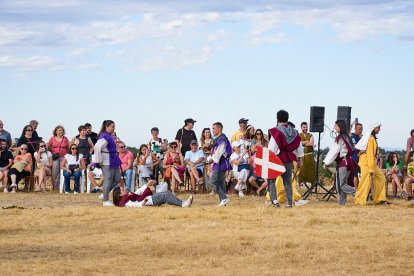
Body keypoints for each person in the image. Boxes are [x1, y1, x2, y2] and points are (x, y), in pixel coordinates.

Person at [268, 110, 304, 208]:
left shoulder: (276, 131)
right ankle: (289, 203)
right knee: (287, 182)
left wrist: (269, 158)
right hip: (288, 159)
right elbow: (299, 147)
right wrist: (300, 159)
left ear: (277, 119)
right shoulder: (294, 132)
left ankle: (275, 202)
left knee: (271, 181)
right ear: (287, 119)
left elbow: (272, 147)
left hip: (277, 158)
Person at [323, 120, 356, 205]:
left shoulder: (340, 138)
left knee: (340, 185)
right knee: (342, 184)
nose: (334, 127)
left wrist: (326, 162)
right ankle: (341, 203)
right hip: (348, 162)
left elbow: (334, 151)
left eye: (336, 126)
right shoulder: (346, 137)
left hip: (343, 163)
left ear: (340, 127)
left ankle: (358, 192)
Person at [355, 123, 389, 205]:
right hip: (367, 163)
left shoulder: (372, 138)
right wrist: (371, 168)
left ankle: (380, 199)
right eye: (378, 128)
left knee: (381, 178)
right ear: (373, 129)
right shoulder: (370, 139)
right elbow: (370, 154)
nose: (379, 129)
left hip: (371, 162)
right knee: (365, 182)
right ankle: (359, 201)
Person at [94, 120, 122, 206]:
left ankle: (104, 194)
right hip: (106, 161)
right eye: (112, 126)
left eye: (114, 126)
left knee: (117, 178)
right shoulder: (104, 136)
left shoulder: (110, 136)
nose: (114, 128)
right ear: (107, 127)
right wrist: (99, 161)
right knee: (108, 179)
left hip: (113, 159)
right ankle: (105, 200)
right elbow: (97, 147)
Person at [112, 184, 193, 208]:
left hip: (150, 199)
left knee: (167, 192)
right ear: (119, 194)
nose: (124, 190)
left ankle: (183, 203)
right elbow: (136, 205)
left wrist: (147, 184)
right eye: (122, 190)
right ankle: (183, 205)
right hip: (149, 201)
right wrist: (144, 201)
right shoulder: (126, 202)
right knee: (165, 197)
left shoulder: (127, 196)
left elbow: (137, 192)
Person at [210, 122, 232, 206]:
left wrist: (212, 159)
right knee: (220, 183)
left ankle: (224, 198)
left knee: (213, 182)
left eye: (214, 128)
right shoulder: (218, 139)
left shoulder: (222, 139)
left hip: (220, 163)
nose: (213, 130)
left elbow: (219, 152)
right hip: (218, 163)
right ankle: (223, 202)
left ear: (219, 129)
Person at [48, 125, 70, 190]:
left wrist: (67, 156)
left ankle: (64, 186)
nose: (61, 131)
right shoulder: (52, 138)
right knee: (55, 172)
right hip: (55, 157)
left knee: (64, 171)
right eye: (59, 130)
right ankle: (56, 187)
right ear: (56, 131)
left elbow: (68, 148)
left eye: (62, 130)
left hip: (63, 157)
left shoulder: (65, 138)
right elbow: (49, 147)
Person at [350, 122, 363, 188]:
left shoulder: (361, 137)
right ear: (355, 129)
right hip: (355, 159)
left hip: (362, 159)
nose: (361, 131)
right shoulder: (353, 136)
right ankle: (356, 190)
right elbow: (356, 146)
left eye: (361, 129)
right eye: (359, 129)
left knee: (362, 174)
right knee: (355, 175)